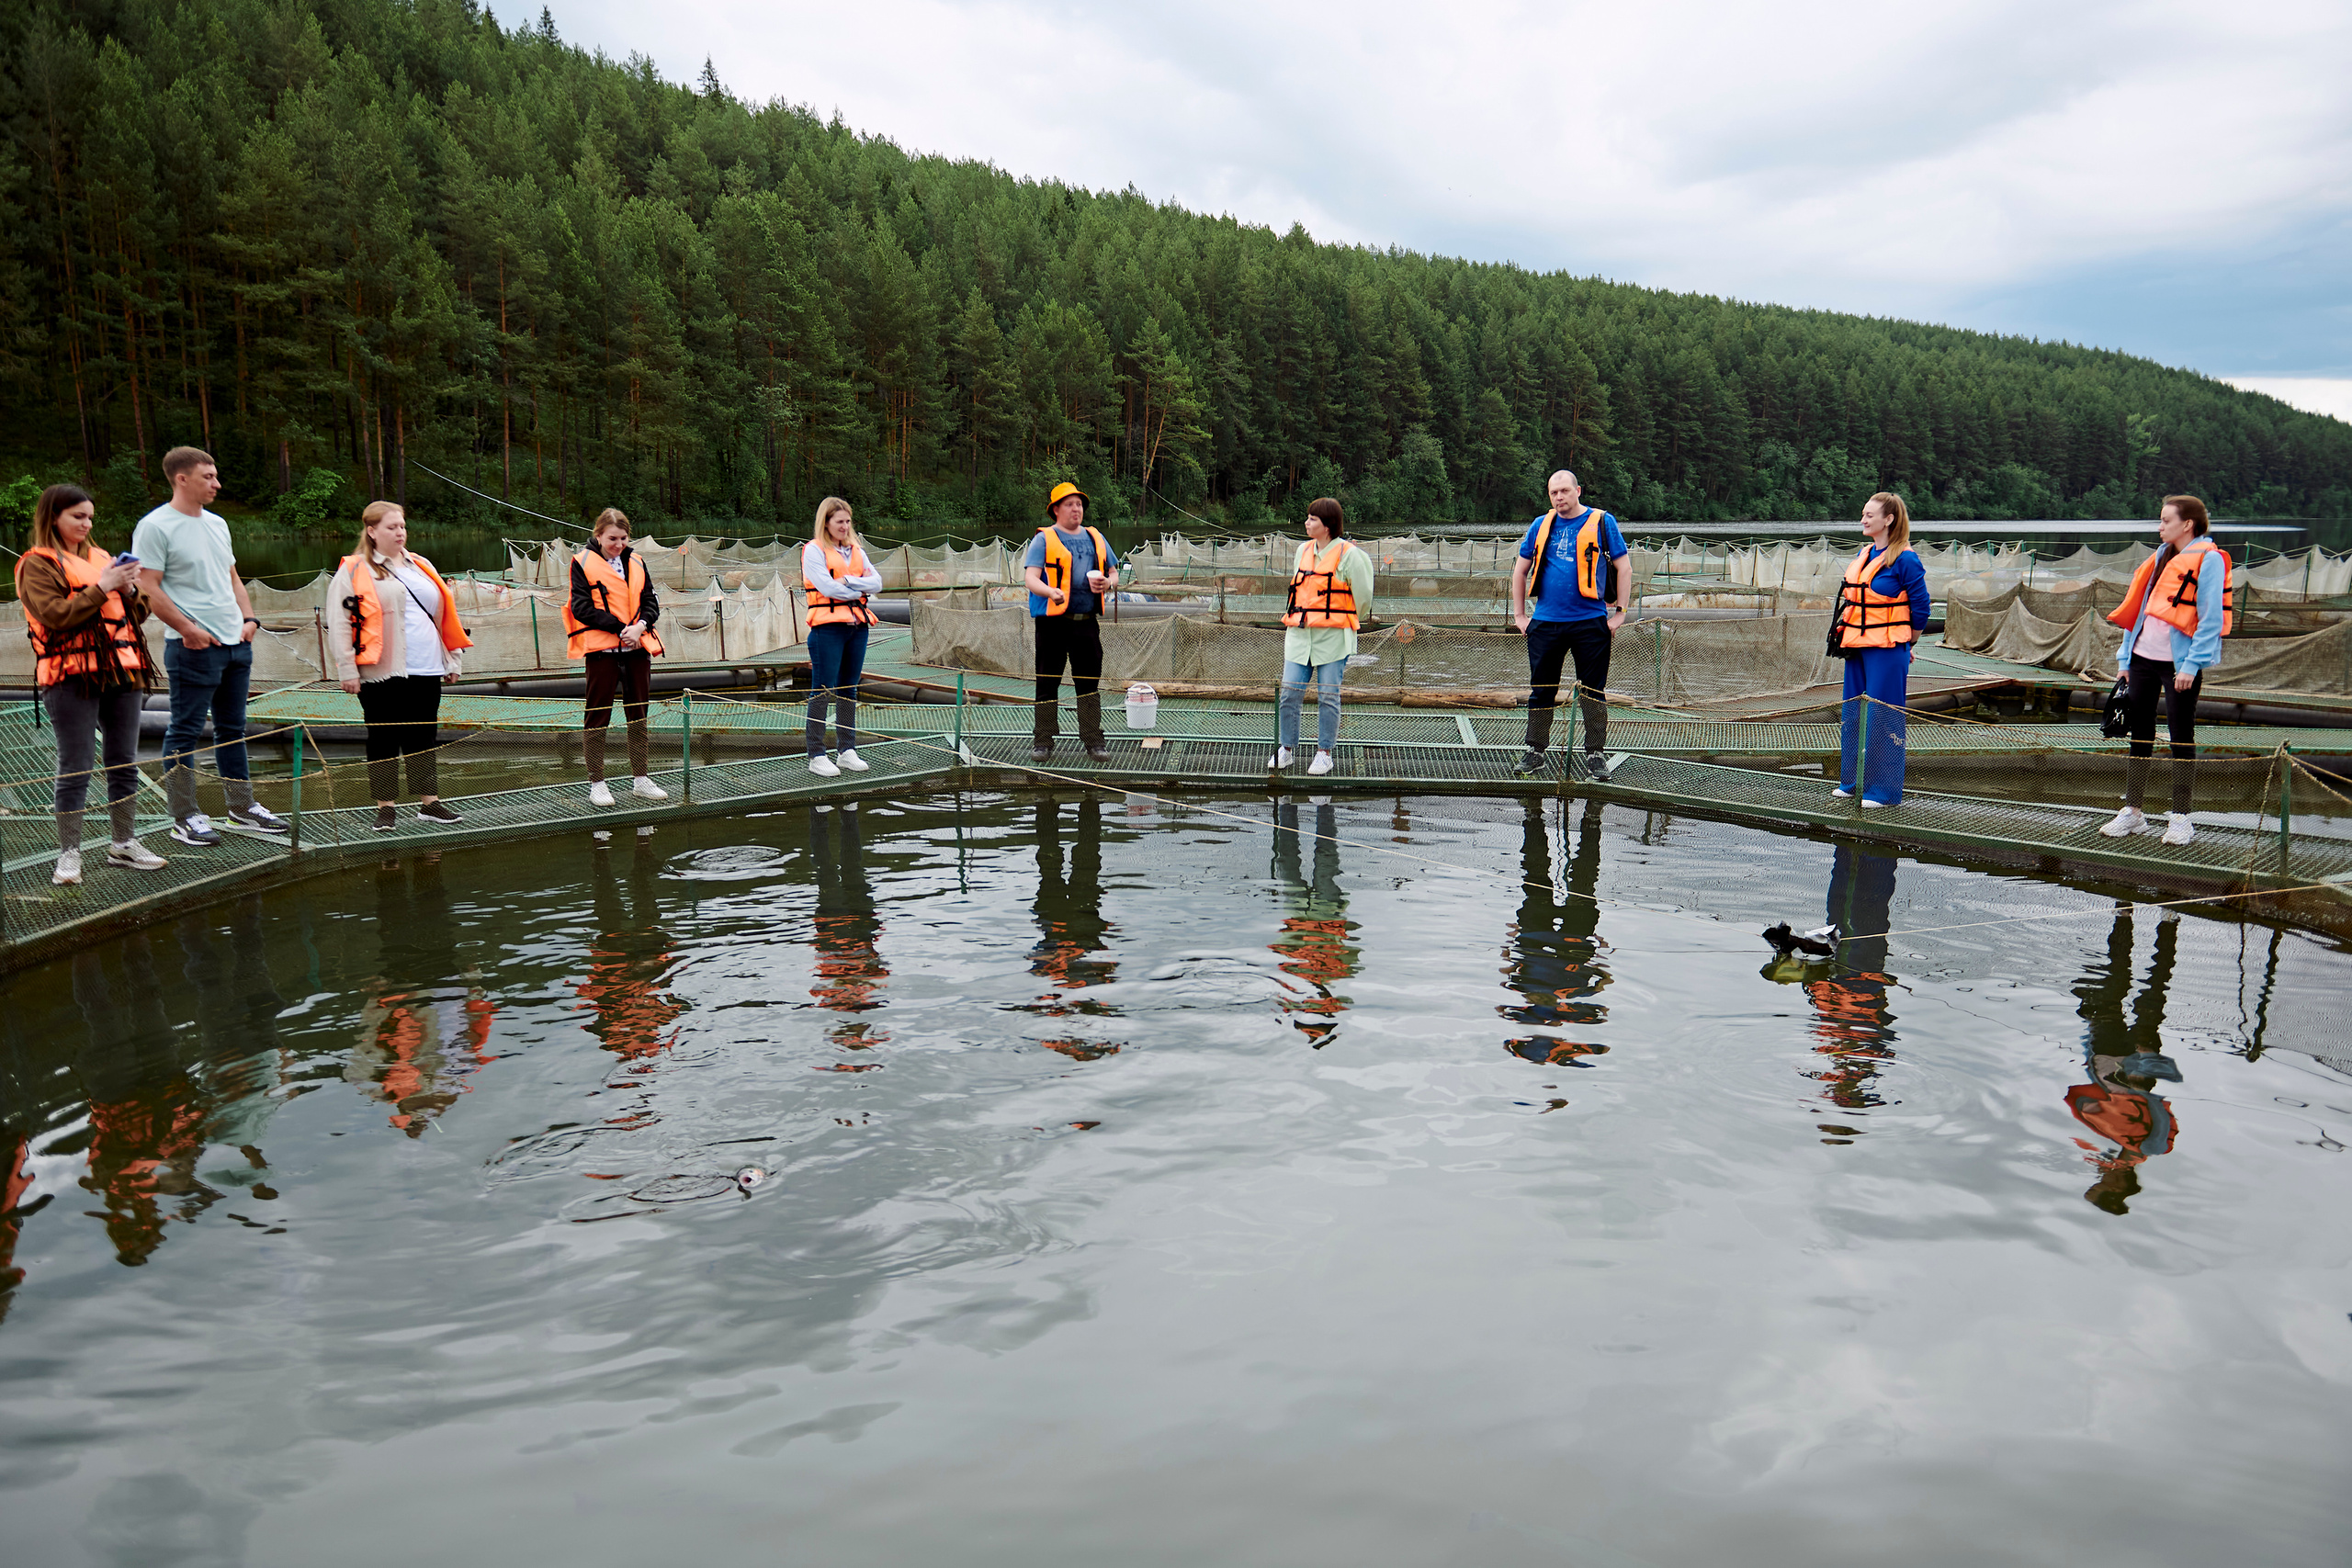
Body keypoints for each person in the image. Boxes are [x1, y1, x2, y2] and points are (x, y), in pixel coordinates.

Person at [133, 446, 288, 846]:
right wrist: (187, 629)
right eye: (208, 477)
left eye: (216, 476)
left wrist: (250, 619)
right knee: (183, 731)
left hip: (237, 643)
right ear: (181, 479)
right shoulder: (155, 526)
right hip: (193, 648)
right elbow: (146, 586)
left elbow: (233, 578)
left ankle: (241, 808)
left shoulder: (218, 524)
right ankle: (184, 816)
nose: (217, 484)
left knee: (232, 729)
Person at [14, 483, 166, 882]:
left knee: (124, 761)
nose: (86, 524)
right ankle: (69, 854)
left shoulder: (103, 559)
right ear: (54, 517)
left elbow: (136, 615)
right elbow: (55, 616)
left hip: (123, 671)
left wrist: (131, 590)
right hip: (70, 677)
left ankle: (124, 844)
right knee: (75, 765)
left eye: (90, 517)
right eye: (77, 516)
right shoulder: (37, 564)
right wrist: (104, 587)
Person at [327, 502, 472, 833]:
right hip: (381, 670)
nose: (400, 532)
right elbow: (340, 622)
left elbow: (444, 616)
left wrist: (452, 659)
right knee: (383, 737)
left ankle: (429, 802)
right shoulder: (353, 570)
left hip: (427, 666)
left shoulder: (421, 564)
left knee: (424, 734)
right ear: (372, 531)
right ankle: (385, 806)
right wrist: (347, 669)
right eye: (392, 527)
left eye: (402, 526)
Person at [2100, 495, 2229, 847]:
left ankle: (2181, 818)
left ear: (2187, 524)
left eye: (2165, 520)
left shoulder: (2210, 559)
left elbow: (2210, 618)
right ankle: (2133, 812)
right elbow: (2138, 608)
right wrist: (2125, 659)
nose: (2159, 527)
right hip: (2142, 658)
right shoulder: (2160, 556)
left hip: (2179, 665)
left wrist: (2191, 664)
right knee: (2139, 733)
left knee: (2180, 735)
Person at [1512, 469, 1630, 780]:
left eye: (1565, 490)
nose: (1560, 497)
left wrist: (1620, 613)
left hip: (1590, 623)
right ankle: (1535, 751)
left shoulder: (1603, 522)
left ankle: (1595, 754)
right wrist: (1520, 617)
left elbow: (1624, 567)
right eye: (1554, 493)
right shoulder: (1540, 525)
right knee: (1541, 690)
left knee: (1592, 691)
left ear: (1578, 490)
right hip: (1545, 624)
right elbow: (1520, 571)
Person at [2066, 905, 2182, 1214]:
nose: (2099, 1175)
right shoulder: (2149, 1148)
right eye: (2100, 1183)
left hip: (2106, 1059)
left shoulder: (2116, 1149)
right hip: (2134, 1071)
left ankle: (2124, 917)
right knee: (2153, 989)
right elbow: (2158, 1111)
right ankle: (2168, 920)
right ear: (2118, 1185)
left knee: (2117, 985)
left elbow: (2095, 1107)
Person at [1830, 492, 1930, 807]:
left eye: (1869, 515)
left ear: (1889, 519)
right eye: (1863, 514)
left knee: (1883, 716)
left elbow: (1921, 608)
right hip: (1856, 648)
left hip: (1888, 651)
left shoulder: (1905, 559)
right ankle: (1852, 781)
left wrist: (1907, 643)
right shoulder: (1865, 553)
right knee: (1853, 713)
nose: (1863, 519)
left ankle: (1883, 792)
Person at [563, 508, 668, 807]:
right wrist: (621, 628)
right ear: (598, 535)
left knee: (638, 714)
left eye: (623, 538)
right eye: (612, 538)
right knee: (597, 716)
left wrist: (641, 627)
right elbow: (581, 608)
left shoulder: (636, 561)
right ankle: (597, 783)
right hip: (602, 653)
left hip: (637, 650)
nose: (618, 544)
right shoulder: (581, 562)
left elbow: (650, 601)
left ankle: (641, 779)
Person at [1269, 498, 1374, 777]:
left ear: (1327, 525)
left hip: (1333, 638)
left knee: (1328, 696)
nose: (1307, 522)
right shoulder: (1302, 550)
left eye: (1313, 519)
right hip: (1300, 637)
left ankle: (1324, 753)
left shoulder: (1351, 555)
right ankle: (1286, 749)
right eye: (1308, 517)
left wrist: (1342, 618)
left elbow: (1363, 598)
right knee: (1289, 694)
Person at [1022, 481, 1120, 763]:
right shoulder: (1043, 539)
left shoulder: (1095, 537)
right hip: (1052, 623)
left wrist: (1108, 583)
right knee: (1047, 681)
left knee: (1088, 682)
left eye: (1079, 504)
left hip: (1086, 623)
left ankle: (1093, 740)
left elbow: (1114, 573)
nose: (1076, 509)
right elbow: (1030, 578)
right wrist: (1049, 591)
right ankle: (1043, 741)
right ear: (1055, 510)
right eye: (1069, 504)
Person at [801, 496, 882, 778]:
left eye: (848, 521)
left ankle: (847, 750)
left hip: (857, 627)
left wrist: (849, 582)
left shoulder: (856, 549)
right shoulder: (813, 551)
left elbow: (878, 583)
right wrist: (860, 591)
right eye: (839, 522)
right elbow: (826, 587)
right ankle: (816, 754)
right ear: (826, 522)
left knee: (849, 688)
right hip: (828, 629)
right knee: (823, 689)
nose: (845, 526)